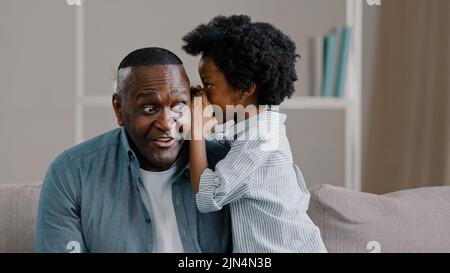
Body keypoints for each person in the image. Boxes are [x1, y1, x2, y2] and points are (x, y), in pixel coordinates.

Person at [35, 47, 232, 253]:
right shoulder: (71, 174)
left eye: (179, 106)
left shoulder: (228, 167)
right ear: (119, 109)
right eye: (149, 108)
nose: (166, 123)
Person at [183, 15, 327, 253]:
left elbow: (208, 196)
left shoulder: (262, 137)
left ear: (245, 88)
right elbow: (217, 140)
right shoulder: (250, 131)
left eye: (208, 85)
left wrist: (196, 130)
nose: (203, 94)